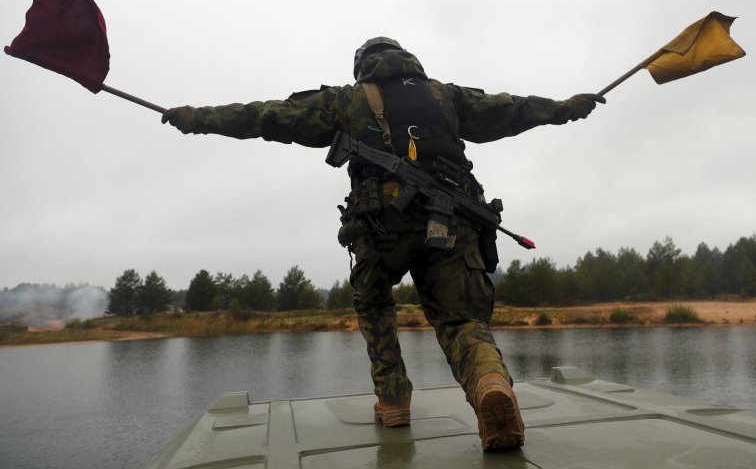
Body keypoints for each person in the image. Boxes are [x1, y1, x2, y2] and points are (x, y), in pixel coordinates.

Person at [162, 37, 605, 451]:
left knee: (374, 302)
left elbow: (267, 116)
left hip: (381, 227)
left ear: (363, 68)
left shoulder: (346, 100)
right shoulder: (444, 95)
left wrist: (199, 119)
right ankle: (490, 383)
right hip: (452, 223)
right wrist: (565, 108)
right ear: (407, 60)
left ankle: (393, 402)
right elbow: (511, 110)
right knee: (461, 321)